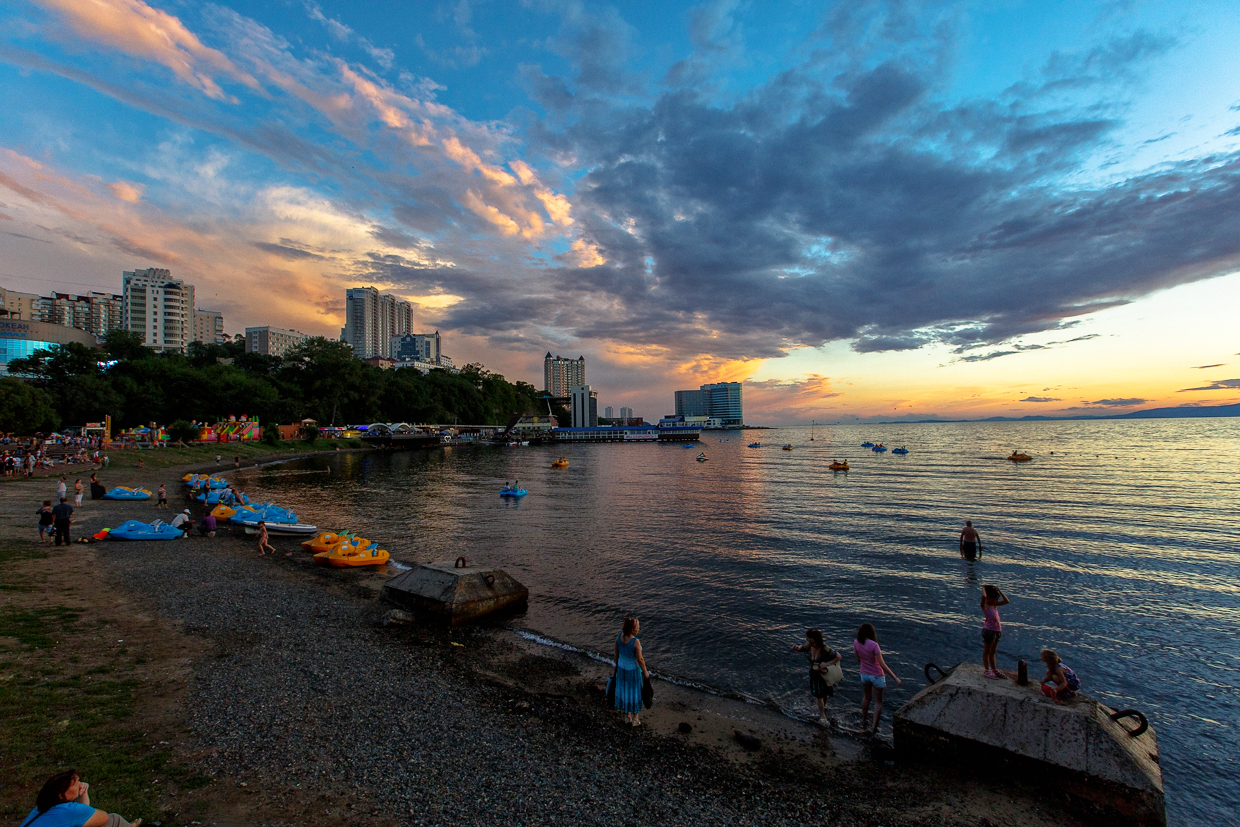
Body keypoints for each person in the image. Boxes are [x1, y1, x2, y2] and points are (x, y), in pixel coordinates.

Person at [20, 768, 142, 827]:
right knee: (114, 820)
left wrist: (83, 794)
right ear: (62, 795)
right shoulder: (69, 811)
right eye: (75, 783)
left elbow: (83, 816)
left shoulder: (40, 808)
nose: (80, 784)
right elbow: (102, 818)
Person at [853, 623, 902, 734]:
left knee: (867, 697)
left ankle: (864, 720)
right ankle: (874, 728)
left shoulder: (856, 642)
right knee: (878, 702)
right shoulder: (874, 645)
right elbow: (882, 664)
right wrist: (895, 677)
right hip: (876, 676)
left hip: (864, 675)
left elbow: (858, 659)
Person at [791, 628, 841, 724]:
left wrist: (825, 664)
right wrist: (797, 648)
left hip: (824, 673)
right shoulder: (808, 645)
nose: (809, 640)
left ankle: (823, 708)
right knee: (818, 694)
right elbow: (802, 648)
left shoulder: (825, 649)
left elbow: (838, 656)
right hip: (814, 673)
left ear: (817, 639)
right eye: (808, 638)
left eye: (811, 639)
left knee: (825, 693)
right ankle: (822, 716)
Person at [613, 617, 649, 726]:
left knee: (624, 690)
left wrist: (617, 665)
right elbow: (640, 659)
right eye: (638, 627)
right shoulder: (635, 641)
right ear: (633, 629)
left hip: (621, 667)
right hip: (632, 669)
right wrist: (645, 672)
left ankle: (627, 716)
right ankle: (635, 718)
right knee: (635, 692)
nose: (639, 629)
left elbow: (616, 653)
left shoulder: (619, 637)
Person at [980, 585, 1010, 678]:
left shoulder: (994, 605)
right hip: (989, 631)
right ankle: (987, 670)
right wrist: (983, 587)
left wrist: (999, 590)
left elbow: (1007, 601)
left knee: (993, 651)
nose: (995, 601)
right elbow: (984, 596)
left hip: (997, 631)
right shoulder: (985, 606)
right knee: (987, 651)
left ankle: (994, 669)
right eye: (994, 599)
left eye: (996, 599)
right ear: (988, 598)